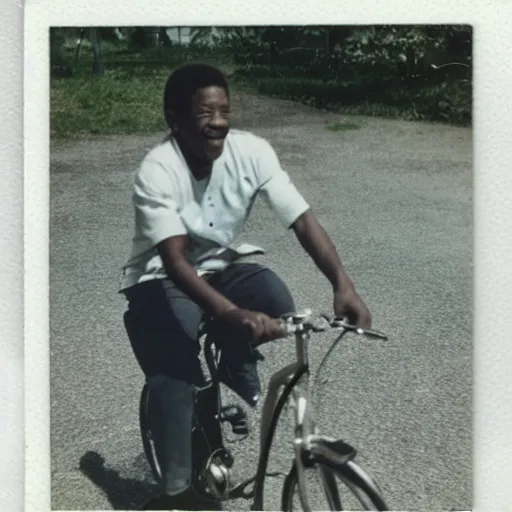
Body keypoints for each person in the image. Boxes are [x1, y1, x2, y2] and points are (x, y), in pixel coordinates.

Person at [119, 63, 372, 511]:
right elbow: (176, 263)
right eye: (204, 113)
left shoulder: (252, 152)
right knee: (176, 373)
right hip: (161, 277)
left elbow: (301, 219)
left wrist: (342, 283)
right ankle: (176, 489)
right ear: (173, 119)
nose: (218, 121)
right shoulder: (158, 170)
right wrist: (232, 314)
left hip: (221, 264)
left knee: (276, 300)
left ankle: (233, 365)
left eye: (224, 110)